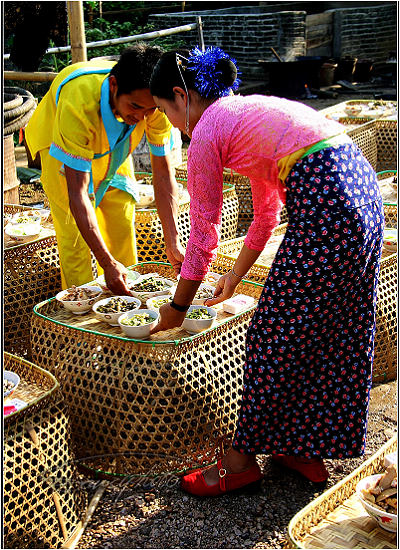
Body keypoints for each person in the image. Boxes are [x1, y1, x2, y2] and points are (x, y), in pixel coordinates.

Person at [149, 46, 384, 496]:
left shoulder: (207, 133)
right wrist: (233, 278)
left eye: (165, 111)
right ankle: (301, 446)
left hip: (328, 203)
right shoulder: (246, 115)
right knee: (333, 325)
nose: (175, 124)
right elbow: (265, 215)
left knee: (272, 334)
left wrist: (177, 309)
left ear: (181, 95)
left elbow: (202, 237)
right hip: (362, 194)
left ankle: (238, 464)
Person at [25, 44, 184, 295]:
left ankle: (129, 294)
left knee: (121, 212)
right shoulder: (78, 101)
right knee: (75, 235)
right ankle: (81, 311)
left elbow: (163, 175)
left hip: (115, 145)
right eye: (134, 107)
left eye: (149, 109)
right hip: (61, 145)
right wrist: (105, 261)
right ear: (113, 86)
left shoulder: (154, 102)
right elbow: (78, 193)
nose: (142, 117)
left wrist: (173, 240)